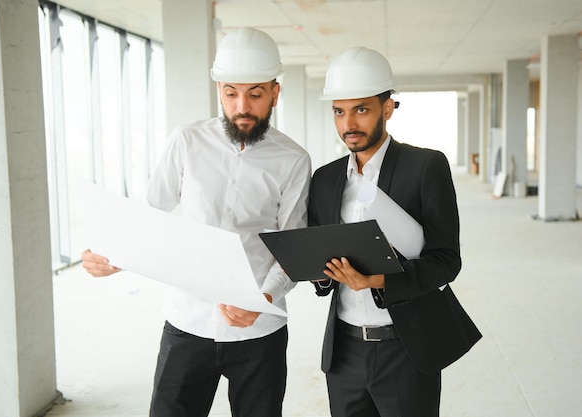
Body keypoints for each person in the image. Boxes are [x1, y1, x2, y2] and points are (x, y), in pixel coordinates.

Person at [82, 27, 311, 417]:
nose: (242, 106)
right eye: (230, 93)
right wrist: (109, 253)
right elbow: (149, 212)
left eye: (255, 94)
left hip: (259, 331)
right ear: (219, 89)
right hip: (187, 322)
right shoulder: (186, 141)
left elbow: (293, 244)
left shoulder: (293, 160)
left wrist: (265, 298)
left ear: (274, 92)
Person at [308, 47, 482, 417]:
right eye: (339, 111)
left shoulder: (425, 167)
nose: (348, 124)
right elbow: (318, 262)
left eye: (361, 109)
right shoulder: (324, 179)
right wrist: (319, 272)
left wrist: (379, 280)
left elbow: (447, 261)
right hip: (345, 353)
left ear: (387, 108)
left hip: (404, 349)